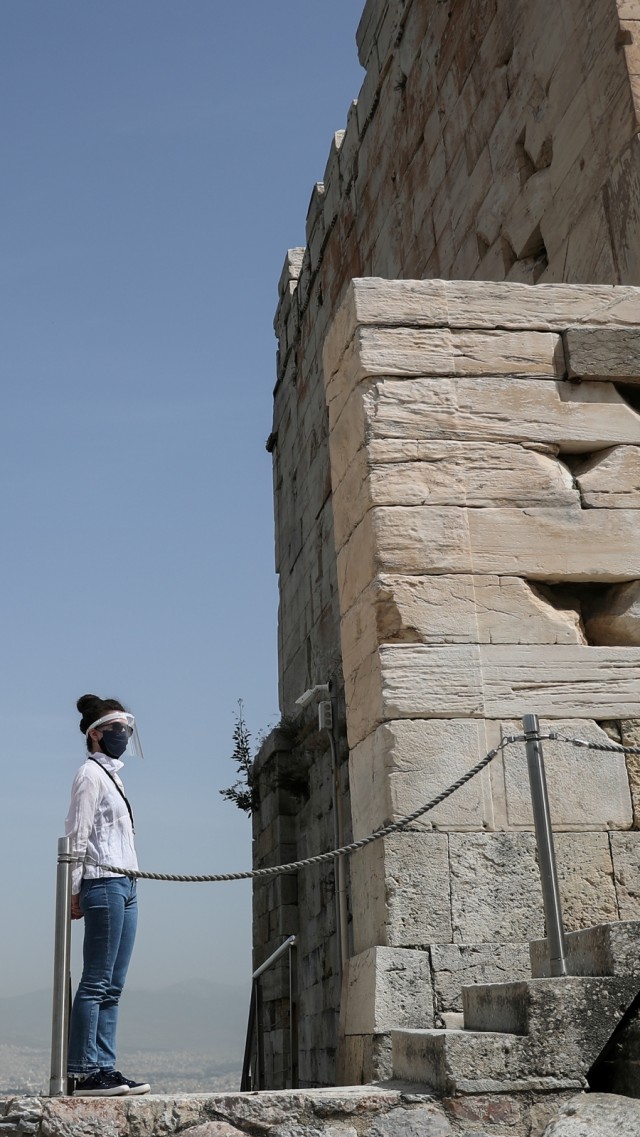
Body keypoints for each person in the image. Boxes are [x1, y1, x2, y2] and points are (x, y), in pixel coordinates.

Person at [65, 693, 151, 1097]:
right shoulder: (89, 774)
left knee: (114, 984)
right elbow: (77, 833)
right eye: (116, 729)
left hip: (127, 884)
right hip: (102, 882)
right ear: (96, 734)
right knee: (96, 981)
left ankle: (105, 1067)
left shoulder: (114, 775)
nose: (123, 735)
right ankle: (84, 1071)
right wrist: (74, 889)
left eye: (125, 728)